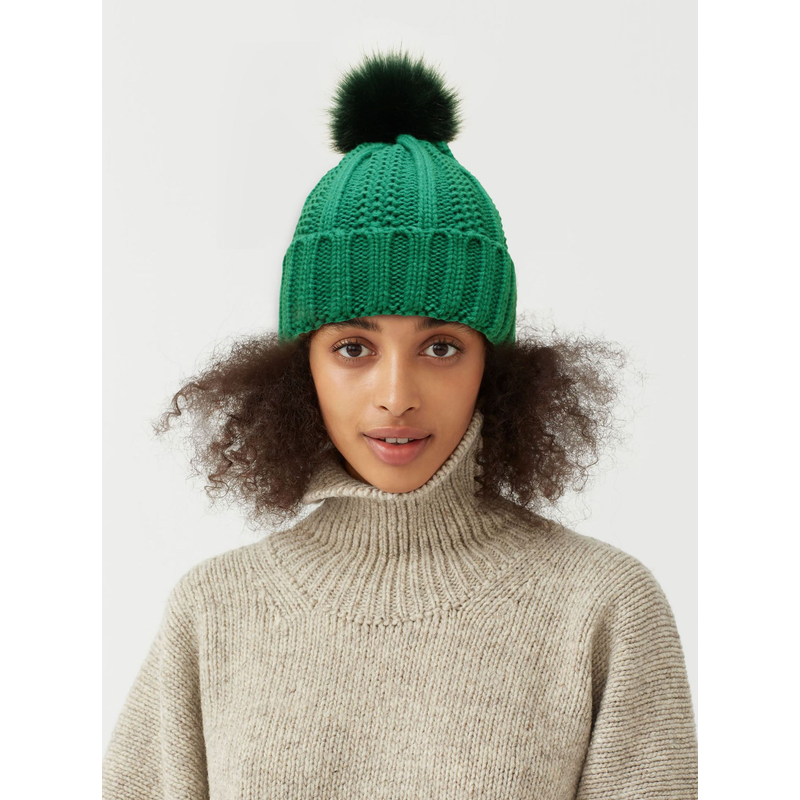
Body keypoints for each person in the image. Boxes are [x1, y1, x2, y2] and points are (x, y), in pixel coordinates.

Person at [102, 49, 698, 799]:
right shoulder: (213, 610)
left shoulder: (602, 607)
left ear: (495, 366)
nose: (396, 396)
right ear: (300, 366)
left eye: (440, 347)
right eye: (354, 348)